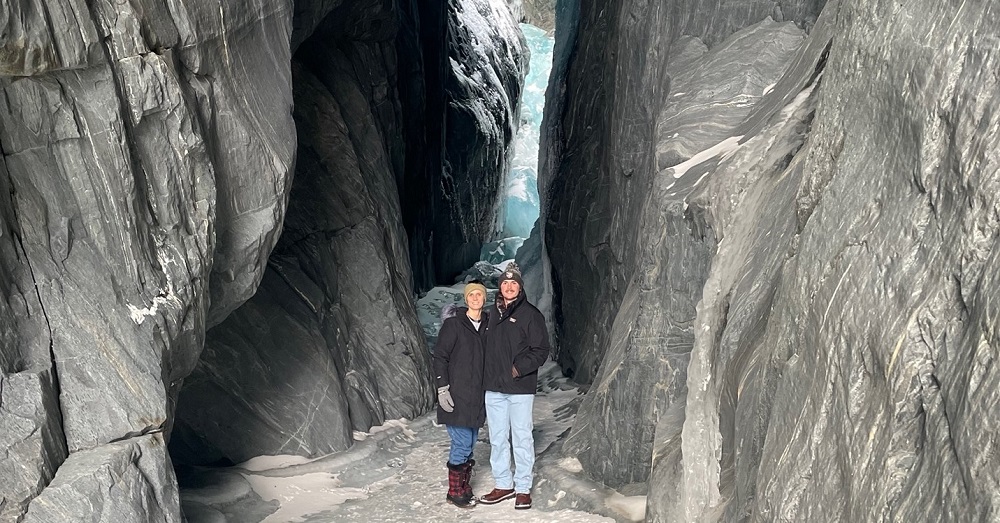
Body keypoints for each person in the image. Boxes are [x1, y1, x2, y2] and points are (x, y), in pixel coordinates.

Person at [478, 262, 549, 510]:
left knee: (521, 437)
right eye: (505, 283)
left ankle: (523, 488)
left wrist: (516, 369)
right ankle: (503, 484)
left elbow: (541, 350)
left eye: (513, 283)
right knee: (497, 438)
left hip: (520, 388)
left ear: (520, 287)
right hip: (494, 388)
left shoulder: (531, 315)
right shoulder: (491, 315)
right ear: (500, 287)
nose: (509, 287)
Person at [432, 280, 489, 508]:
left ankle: (463, 487)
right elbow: (440, 357)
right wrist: (442, 387)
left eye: (479, 295)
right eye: (471, 295)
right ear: (466, 299)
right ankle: (455, 491)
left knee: (471, 441)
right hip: (456, 393)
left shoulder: (488, 325)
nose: (475, 298)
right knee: (463, 442)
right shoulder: (454, 325)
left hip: (477, 396)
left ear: (484, 299)